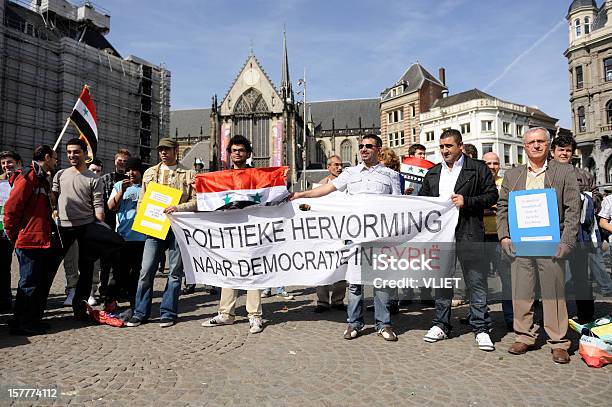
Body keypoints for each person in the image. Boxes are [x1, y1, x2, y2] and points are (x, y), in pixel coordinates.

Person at [292, 134, 402, 342]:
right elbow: (326, 189)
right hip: (355, 236)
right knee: (354, 282)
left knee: (381, 282)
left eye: (369, 146)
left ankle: (384, 324)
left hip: (380, 237)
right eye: (361, 146)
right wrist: (301, 195)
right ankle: (354, 323)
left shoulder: (391, 175)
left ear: (379, 149)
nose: (363, 149)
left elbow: (397, 205)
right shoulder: (350, 173)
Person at [497, 127, 580, 364]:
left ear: (548, 144)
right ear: (525, 146)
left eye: (540, 141)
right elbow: (502, 207)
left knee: (554, 293)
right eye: (531, 142)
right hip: (520, 245)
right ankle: (524, 335)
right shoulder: (512, 175)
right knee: (522, 291)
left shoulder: (564, 171)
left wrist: (567, 240)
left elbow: (573, 209)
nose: (536, 145)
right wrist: (504, 236)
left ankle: (559, 342)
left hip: (551, 243)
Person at [419, 129, 498, 351]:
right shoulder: (433, 173)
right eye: (442, 146)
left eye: (449, 146)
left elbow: (492, 195)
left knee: (476, 282)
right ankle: (441, 324)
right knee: (442, 282)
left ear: (460, 146)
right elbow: (424, 203)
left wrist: (468, 201)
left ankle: (481, 328)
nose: (444, 150)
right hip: (441, 237)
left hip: (469, 232)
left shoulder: (478, 168)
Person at [126, 138, 197, 328]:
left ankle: (168, 312)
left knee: (174, 273)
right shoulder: (150, 172)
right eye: (160, 150)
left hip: (177, 227)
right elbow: (142, 200)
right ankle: (140, 312)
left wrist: (178, 207)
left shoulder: (189, 173)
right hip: (154, 227)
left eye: (167, 150)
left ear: (176, 150)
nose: (163, 153)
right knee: (146, 270)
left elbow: (196, 201)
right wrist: (142, 220)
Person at [51, 138, 124, 321]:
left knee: (87, 268)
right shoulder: (60, 174)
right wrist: (53, 210)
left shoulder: (94, 178)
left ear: (85, 154)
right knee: (50, 267)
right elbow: (53, 198)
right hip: (63, 228)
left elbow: (98, 206)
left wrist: (102, 227)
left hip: (86, 227)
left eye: (76, 152)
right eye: (69, 152)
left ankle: (80, 306)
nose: (72, 155)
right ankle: (38, 307)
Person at [202, 135, 266, 334]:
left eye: (241, 150)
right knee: (228, 269)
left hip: (251, 228)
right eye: (234, 150)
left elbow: (269, 197)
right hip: (229, 229)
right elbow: (208, 201)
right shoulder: (221, 178)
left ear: (248, 154)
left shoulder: (257, 175)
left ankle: (255, 316)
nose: (237, 153)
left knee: (252, 271)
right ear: (229, 154)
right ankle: (226, 314)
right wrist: (179, 208)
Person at [3, 145, 59, 335]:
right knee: (28, 283)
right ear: (46, 157)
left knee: (34, 281)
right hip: (28, 240)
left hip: (39, 239)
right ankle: (21, 323)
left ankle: (30, 320)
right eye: (55, 158)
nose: (56, 161)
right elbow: (10, 209)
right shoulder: (28, 177)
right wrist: (15, 236)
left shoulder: (42, 179)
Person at [551, 134, 599, 323]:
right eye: (561, 150)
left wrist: (586, 200)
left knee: (581, 277)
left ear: (573, 153)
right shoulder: (545, 173)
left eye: (568, 150)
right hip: (554, 232)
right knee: (554, 277)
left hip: (579, 233)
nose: (564, 153)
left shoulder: (584, 174)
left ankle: (586, 315)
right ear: (553, 152)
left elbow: (597, 196)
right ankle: (556, 316)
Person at [105, 157, 147, 311]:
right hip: (122, 237)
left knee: (138, 274)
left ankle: (135, 302)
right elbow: (110, 206)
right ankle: (110, 300)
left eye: (134, 169)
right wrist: (122, 191)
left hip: (142, 237)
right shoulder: (118, 185)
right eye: (129, 169)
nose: (131, 173)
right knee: (116, 273)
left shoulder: (147, 187)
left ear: (140, 171)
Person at [482, 152, 512, 329]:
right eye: (488, 163)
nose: (492, 166)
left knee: (507, 279)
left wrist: (496, 208)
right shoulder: (478, 183)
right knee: (479, 280)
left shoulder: (506, 183)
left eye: (495, 163)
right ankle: (479, 315)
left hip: (502, 237)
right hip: (481, 237)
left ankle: (511, 317)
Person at [312, 154, 347, 313]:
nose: (339, 168)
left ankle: (338, 300)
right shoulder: (319, 185)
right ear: (328, 167)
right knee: (323, 266)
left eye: (341, 165)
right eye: (336, 165)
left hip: (342, 232)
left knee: (341, 267)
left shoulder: (348, 186)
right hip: (325, 233)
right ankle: (323, 301)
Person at [98, 149, 130, 299]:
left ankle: (121, 288)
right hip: (109, 224)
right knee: (106, 260)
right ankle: (104, 289)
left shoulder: (132, 179)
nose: (122, 163)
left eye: (125, 161)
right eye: (120, 160)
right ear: (115, 161)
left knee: (122, 260)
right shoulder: (106, 178)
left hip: (125, 225)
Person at [0, 150, 22, 312]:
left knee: (22, 267)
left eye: (9, 162)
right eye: (3, 163)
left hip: (20, 230)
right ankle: (5, 300)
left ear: (18, 163)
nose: (6, 165)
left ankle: (21, 301)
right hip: (2, 229)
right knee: (3, 267)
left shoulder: (23, 181)